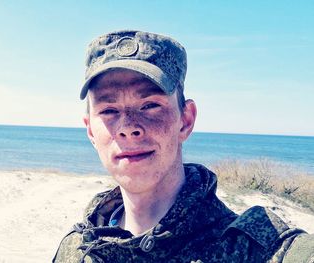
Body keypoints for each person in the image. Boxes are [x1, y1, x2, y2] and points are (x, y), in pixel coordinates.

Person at [53, 30, 314, 262]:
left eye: (150, 105)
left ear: (186, 120)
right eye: (109, 110)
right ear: (90, 131)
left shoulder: (262, 251)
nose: (128, 126)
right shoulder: (75, 250)